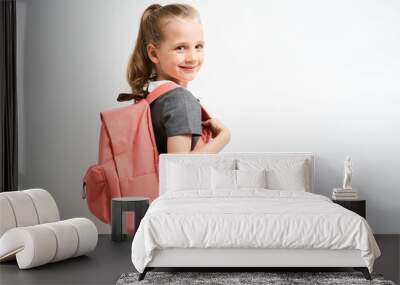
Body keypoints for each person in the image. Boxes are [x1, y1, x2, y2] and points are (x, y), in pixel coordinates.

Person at [126, 3, 230, 154]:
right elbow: (179, 170)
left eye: (198, 46)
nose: (192, 58)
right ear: (154, 54)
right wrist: (223, 138)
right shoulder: (180, 100)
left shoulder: (152, 98)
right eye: (180, 48)